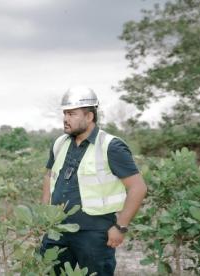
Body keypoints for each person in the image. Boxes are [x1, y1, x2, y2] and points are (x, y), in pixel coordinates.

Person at [40, 86, 147, 276]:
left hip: (94, 234)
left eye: (72, 114)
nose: (65, 119)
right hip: (56, 230)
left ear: (89, 117)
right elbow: (49, 176)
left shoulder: (111, 146)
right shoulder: (59, 143)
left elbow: (137, 187)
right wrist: (44, 214)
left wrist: (120, 227)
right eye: (65, 113)